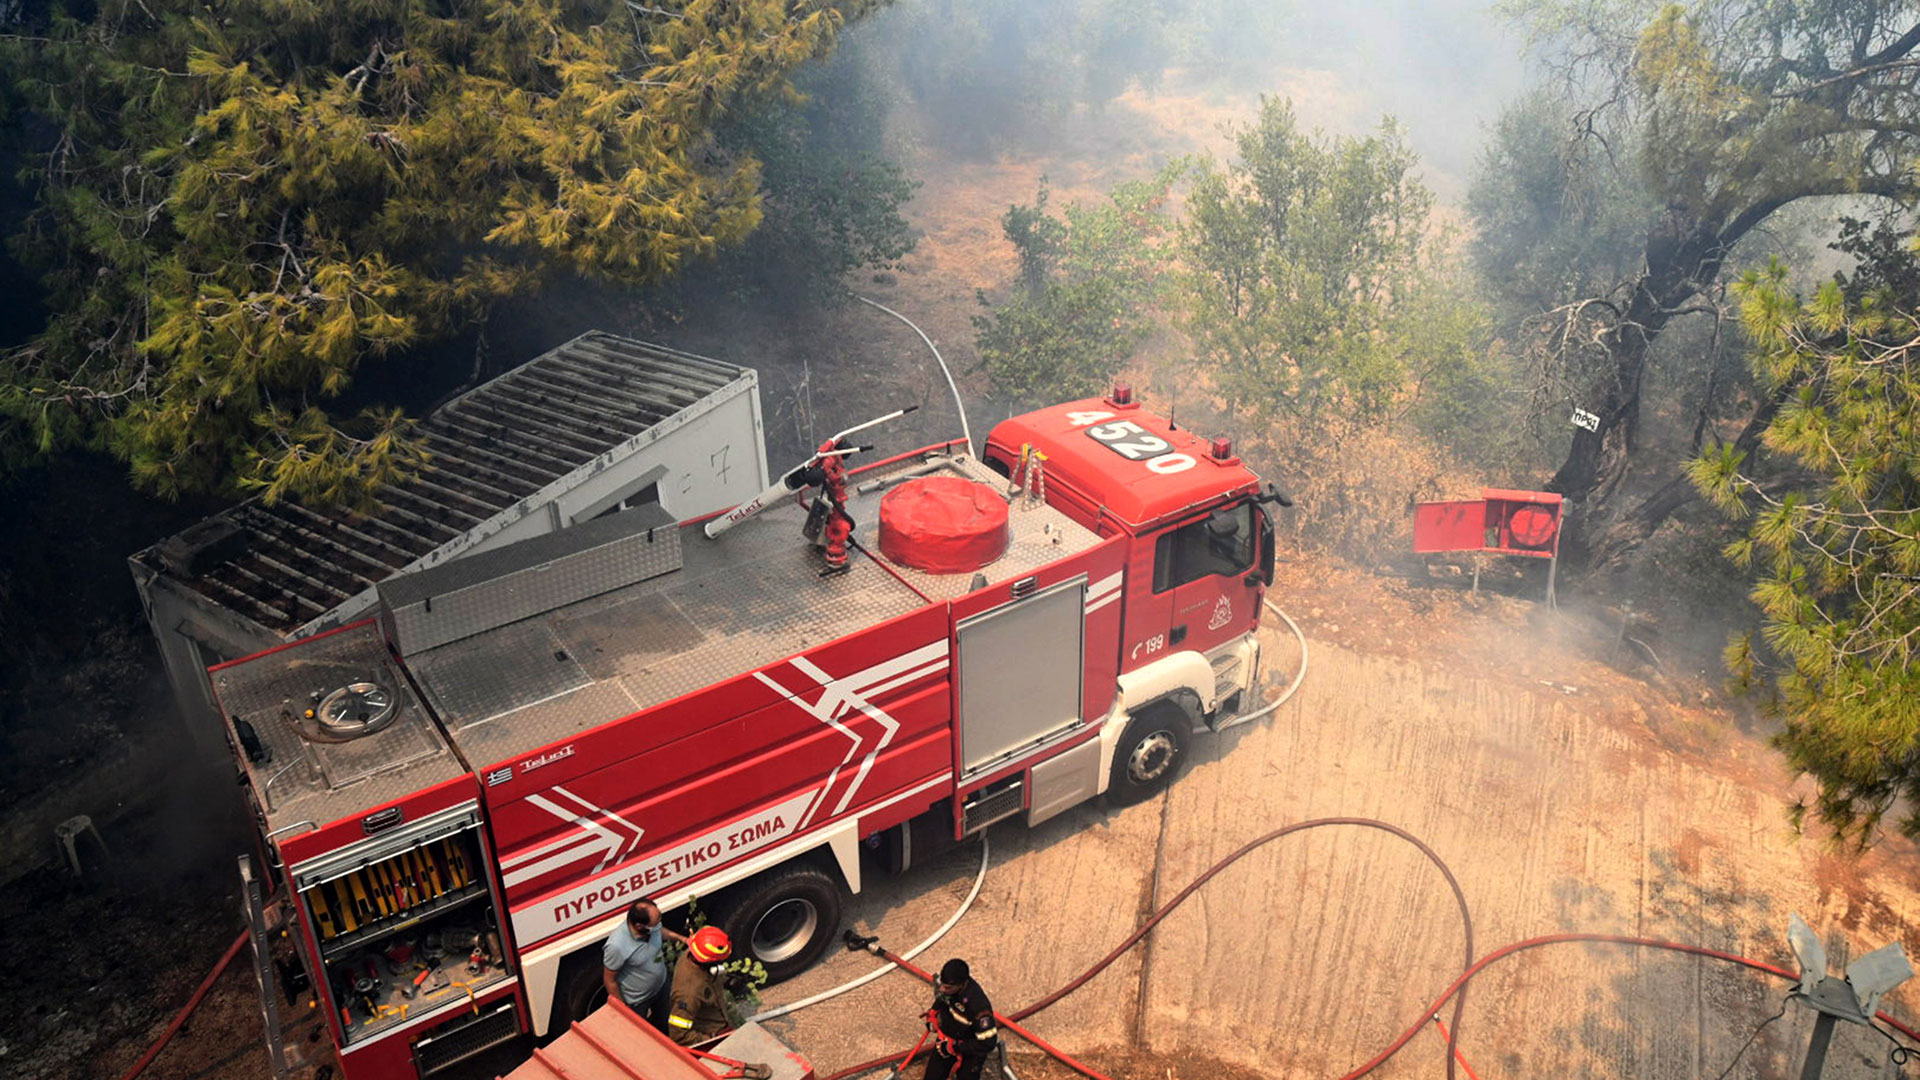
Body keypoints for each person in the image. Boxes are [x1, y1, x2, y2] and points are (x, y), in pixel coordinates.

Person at [602, 899, 688, 1028]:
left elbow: (660, 931)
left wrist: (683, 939)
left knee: (669, 1021)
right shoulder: (617, 946)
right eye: (656, 922)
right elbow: (610, 980)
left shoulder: (652, 926)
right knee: (641, 1034)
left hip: (661, 987)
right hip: (638, 1001)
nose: (659, 923)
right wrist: (623, 1010)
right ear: (639, 927)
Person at [921, 958, 997, 1080]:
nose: (942, 990)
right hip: (946, 1042)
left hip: (970, 1050)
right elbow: (942, 999)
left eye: (947, 988)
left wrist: (954, 1047)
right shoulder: (949, 989)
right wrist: (933, 1014)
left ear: (962, 985)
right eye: (942, 985)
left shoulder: (978, 1006)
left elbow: (988, 1043)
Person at [666, 926, 735, 1045]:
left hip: (721, 1024)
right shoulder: (689, 993)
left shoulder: (692, 954)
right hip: (713, 1037)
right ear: (709, 961)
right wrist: (708, 1040)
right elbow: (678, 1035)